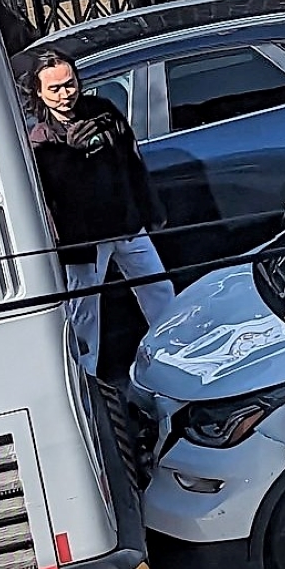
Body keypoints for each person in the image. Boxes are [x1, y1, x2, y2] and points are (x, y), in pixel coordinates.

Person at [25, 49, 174, 377]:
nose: (66, 94)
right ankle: (86, 378)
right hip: (85, 242)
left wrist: (150, 209)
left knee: (159, 290)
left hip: (127, 224)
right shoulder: (40, 140)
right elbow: (50, 200)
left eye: (70, 84)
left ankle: (175, 356)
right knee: (85, 313)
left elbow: (133, 162)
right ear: (39, 92)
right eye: (55, 89)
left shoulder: (103, 112)